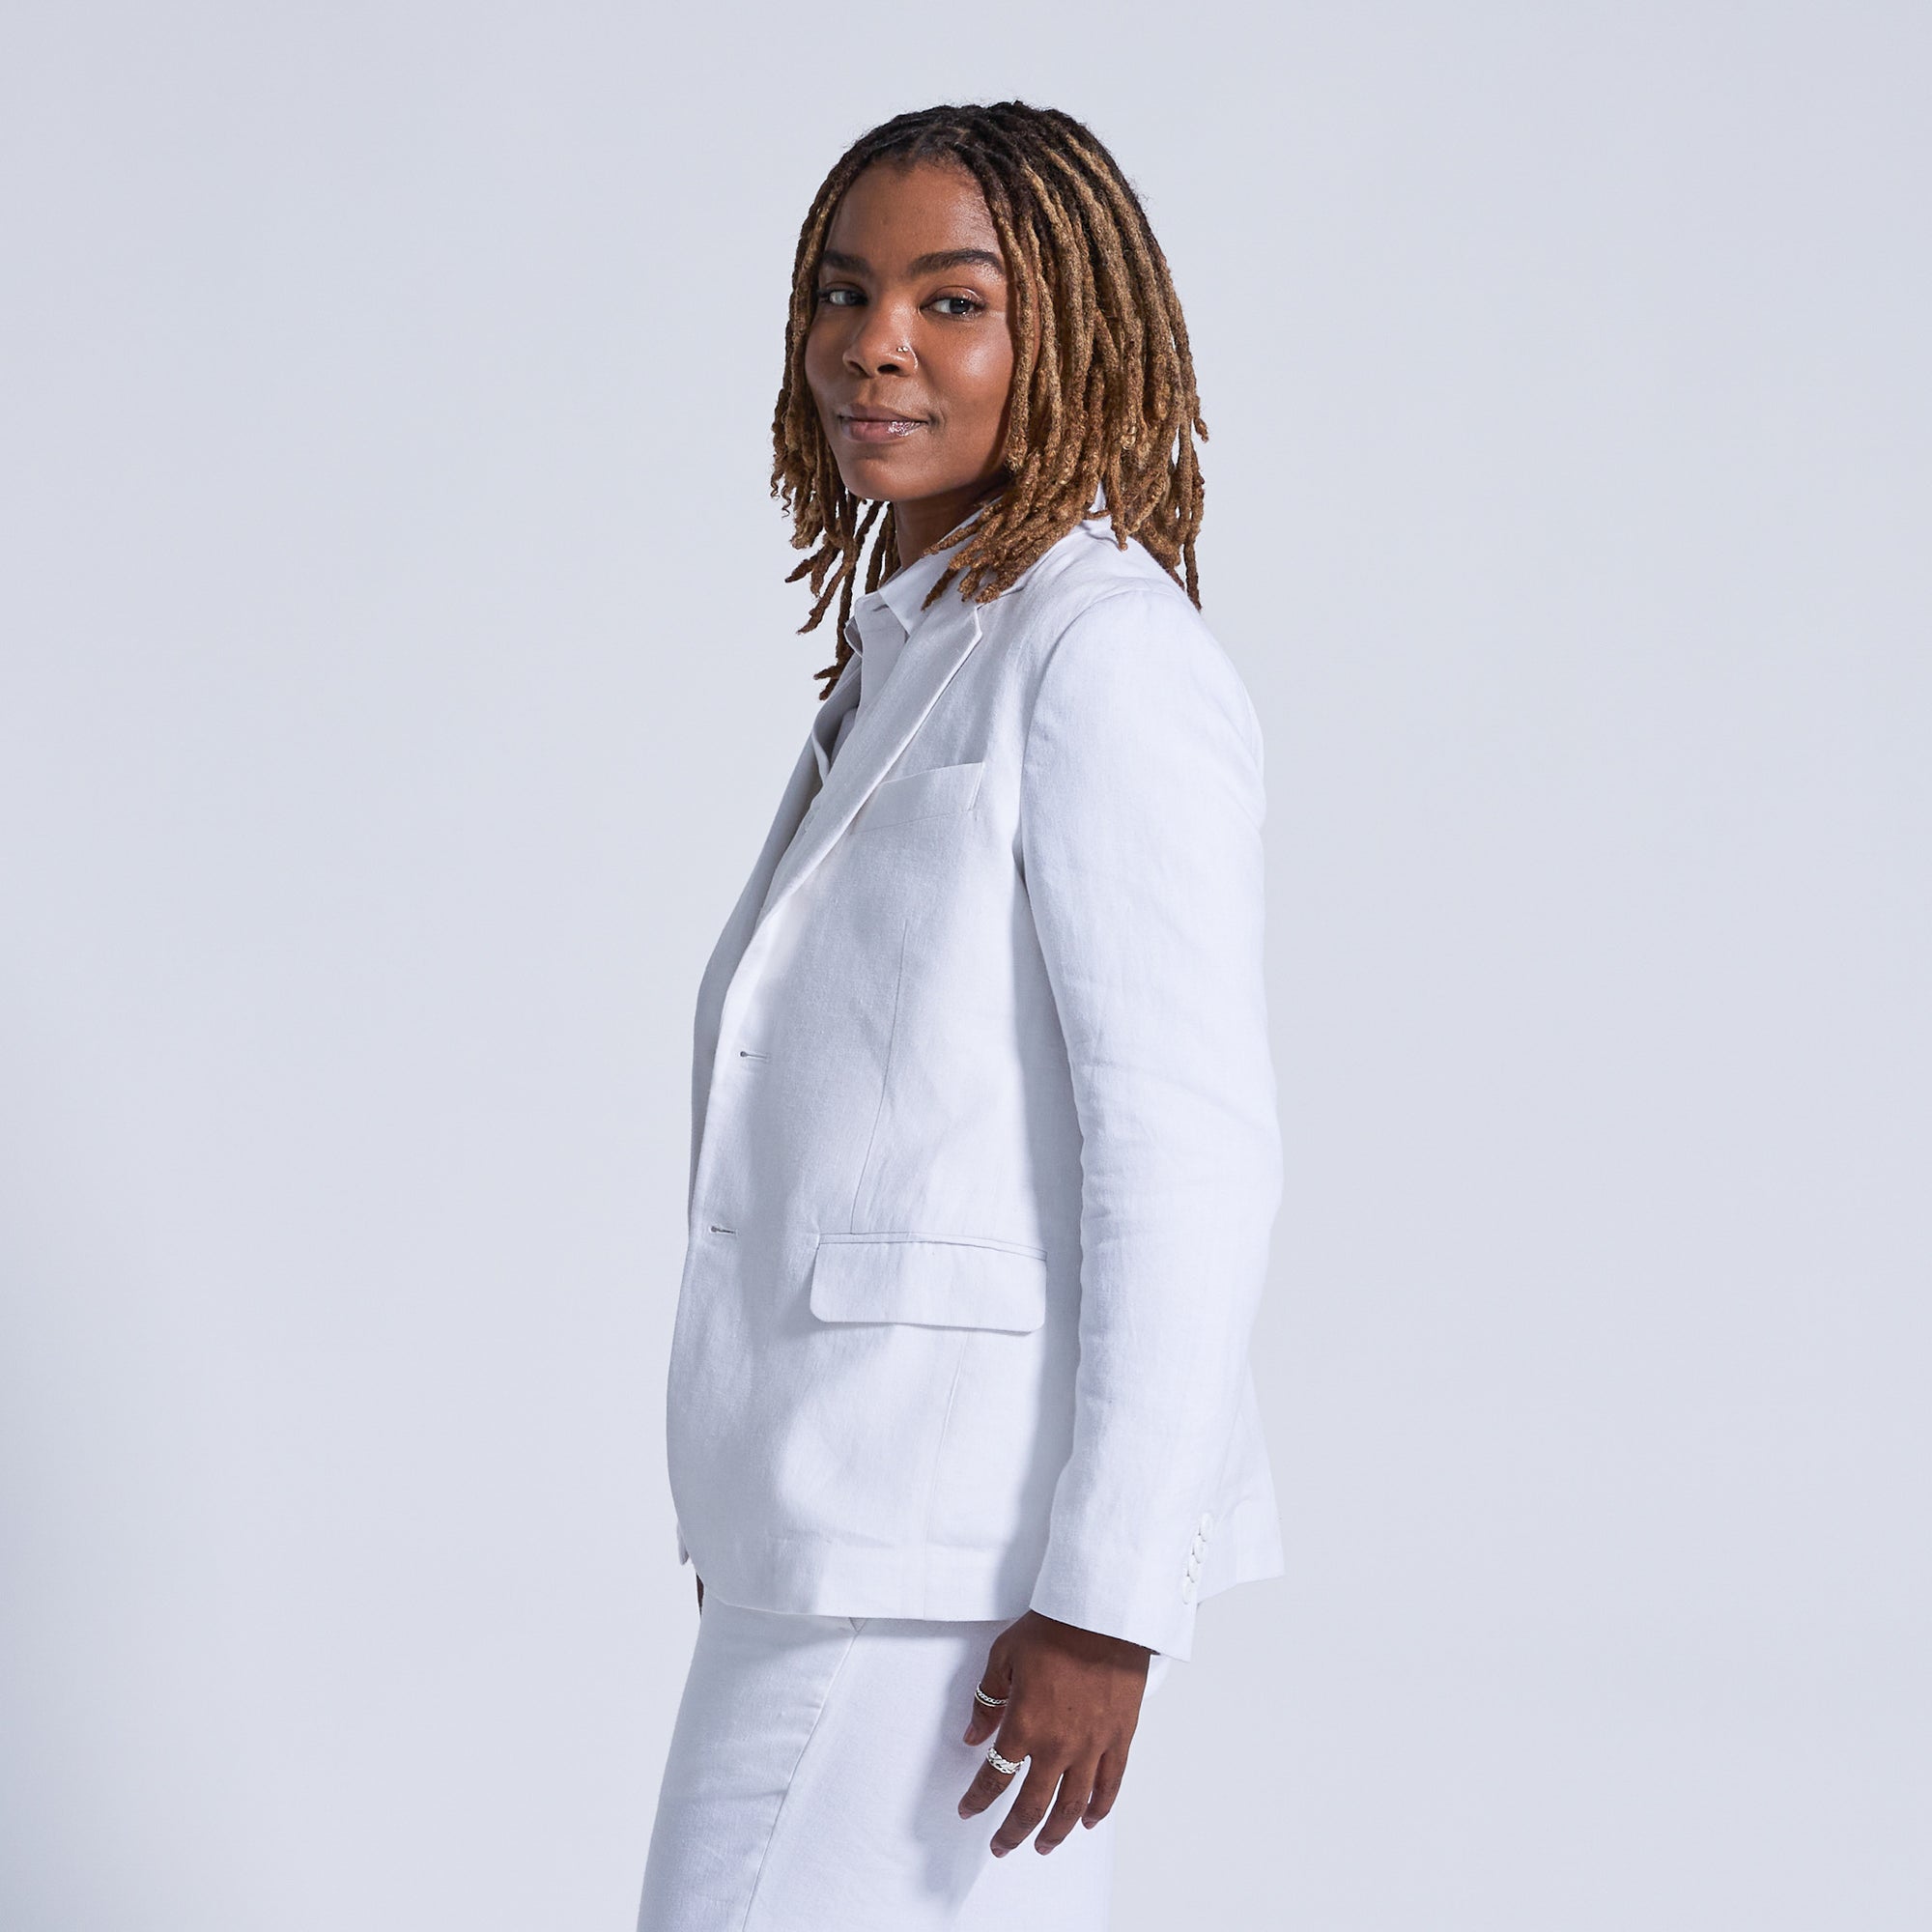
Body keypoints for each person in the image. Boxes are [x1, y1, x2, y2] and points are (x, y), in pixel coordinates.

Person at [637, 100, 1284, 1930]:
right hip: (836, 1527)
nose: (876, 342)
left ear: (1068, 333)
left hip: (952, 1565)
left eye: (954, 299)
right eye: (845, 292)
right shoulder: (922, 646)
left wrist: (1106, 1597)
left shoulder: (1103, 659)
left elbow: (1190, 1150)